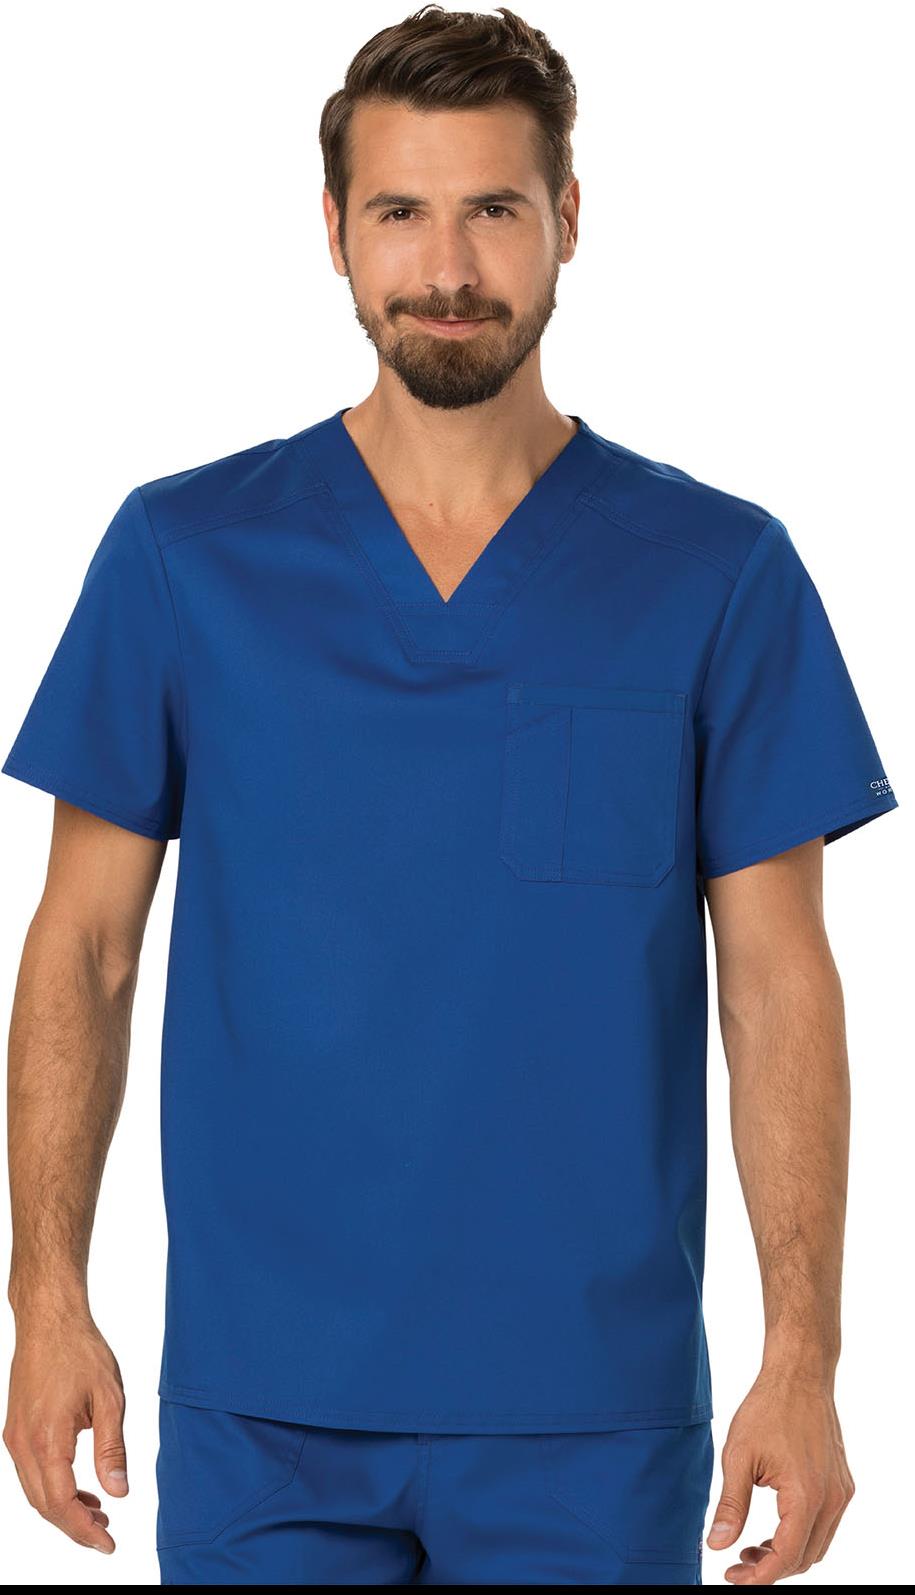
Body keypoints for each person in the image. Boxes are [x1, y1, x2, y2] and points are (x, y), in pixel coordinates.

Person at [1, 4, 898, 1587]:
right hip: (263, 1409)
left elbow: (778, 983)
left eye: (493, 208)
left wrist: (805, 1355)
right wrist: (47, 1299)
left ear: (568, 218)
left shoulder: (717, 572)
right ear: (334, 232)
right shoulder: (185, 556)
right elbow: (85, 948)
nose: (449, 267)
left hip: (593, 1413)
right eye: (401, 212)